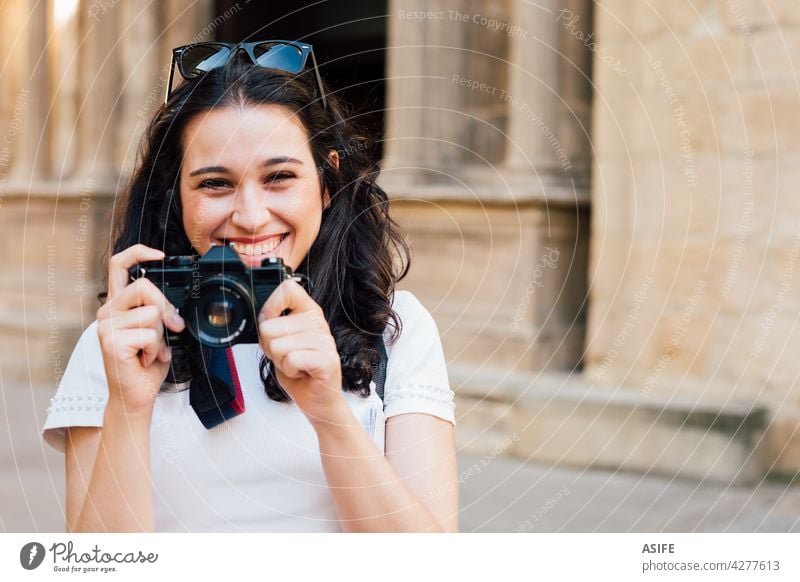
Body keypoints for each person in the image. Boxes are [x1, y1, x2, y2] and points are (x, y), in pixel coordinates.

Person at [41, 41, 457, 533]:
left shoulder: (391, 330)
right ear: (177, 195)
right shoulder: (121, 340)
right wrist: (129, 408)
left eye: (280, 176)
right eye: (215, 184)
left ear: (327, 181)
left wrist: (328, 411)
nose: (251, 216)